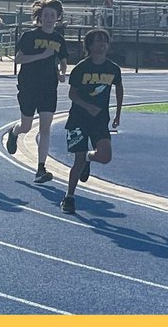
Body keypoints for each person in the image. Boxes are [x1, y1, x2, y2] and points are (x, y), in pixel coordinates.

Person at [3, 0, 69, 184]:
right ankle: (14, 133)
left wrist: (62, 73)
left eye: (52, 15)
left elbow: (63, 60)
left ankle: (41, 168)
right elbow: (18, 59)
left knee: (45, 128)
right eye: (46, 15)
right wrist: (42, 55)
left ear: (57, 18)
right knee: (26, 126)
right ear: (39, 17)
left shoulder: (58, 39)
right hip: (28, 86)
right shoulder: (29, 36)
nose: (49, 18)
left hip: (48, 87)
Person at [60, 28, 123, 213]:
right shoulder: (82, 68)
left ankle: (90, 157)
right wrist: (87, 106)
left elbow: (119, 89)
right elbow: (72, 94)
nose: (101, 44)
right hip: (79, 119)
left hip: (100, 120)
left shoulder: (113, 69)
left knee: (105, 156)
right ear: (89, 45)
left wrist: (118, 114)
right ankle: (69, 197)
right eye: (97, 41)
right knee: (77, 161)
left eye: (104, 41)